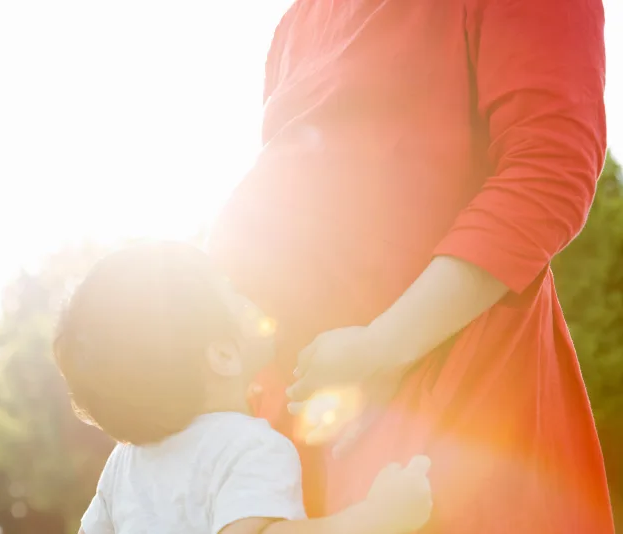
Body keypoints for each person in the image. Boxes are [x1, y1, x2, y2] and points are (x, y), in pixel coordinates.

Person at [207, 0, 615, 532]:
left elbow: (548, 169)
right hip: (297, 413)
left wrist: (383, 347)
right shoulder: (298, 19)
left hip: (454, 400)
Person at [53, 241, 433, 534]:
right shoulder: (248, 445)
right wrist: (374, 518)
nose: (248, 294)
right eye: (232, 291)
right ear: (222, 355)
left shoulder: (123, 464)